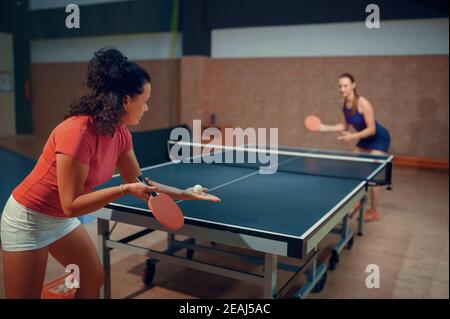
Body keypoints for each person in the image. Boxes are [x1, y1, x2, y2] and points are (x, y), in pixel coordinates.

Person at [1, 47, 220, 299]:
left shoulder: (120, 132)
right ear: (126, 100)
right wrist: (123, 190)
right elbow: (71, 205)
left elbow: (138, 182)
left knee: (92, 276)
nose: (146, 108)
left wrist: (184, 194)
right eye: (145, 101)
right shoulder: (78, 132)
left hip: (58, 219)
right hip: (29, 219)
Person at [319, 73, 391, 222]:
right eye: (340, 86)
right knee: (350, 166)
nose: (342, 88)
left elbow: (372, 129)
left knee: (373, 173)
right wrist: (323, 127)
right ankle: (357, 199)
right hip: (363, 139)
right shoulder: (344, 104)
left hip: (378, 138)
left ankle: (374, 211)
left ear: (353, 85)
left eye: (345, 85)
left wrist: (351, 137)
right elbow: (343, 126)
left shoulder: (363, 103)